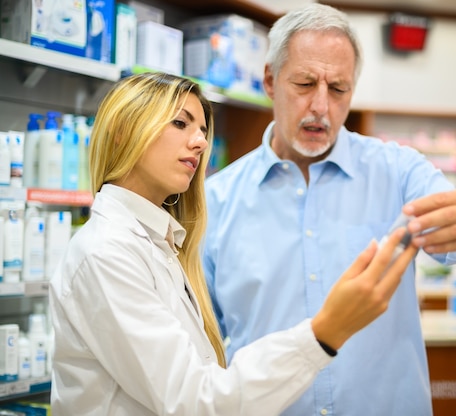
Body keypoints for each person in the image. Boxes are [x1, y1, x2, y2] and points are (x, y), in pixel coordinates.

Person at [202, 4, 456, 416]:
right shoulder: (215, 201)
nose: (321, 106)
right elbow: (201, 350)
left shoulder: (399, 172)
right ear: (269, 79)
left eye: (338, 89)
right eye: (304, 83)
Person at [48, 72, 419, 415]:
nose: (200, 142)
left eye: (203, 130)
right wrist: (324, 332)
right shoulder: (107, 252)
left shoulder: (158, 243)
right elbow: (194, 400)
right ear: (123, 131)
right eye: (180, 123)